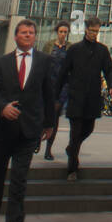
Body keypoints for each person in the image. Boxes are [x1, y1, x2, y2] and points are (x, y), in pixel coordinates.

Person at [0, 19, 54, 222]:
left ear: (35, 37)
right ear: (15, 36)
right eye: (23, 32)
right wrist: (2, 107)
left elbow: (48, 93)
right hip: (4, 131)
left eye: (31, 32)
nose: (28, 35)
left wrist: (49, 123)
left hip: (29, 131)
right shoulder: (2, 63)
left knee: (19, 180)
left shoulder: (44, 61)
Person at [60, 16, 112, 180]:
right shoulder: (74, 50)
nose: (94, 34)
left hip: (92, 97)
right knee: (75, 132)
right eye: (92, 31)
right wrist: (57, 93)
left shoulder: (102, 50)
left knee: (88, 128)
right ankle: (72, 168)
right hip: (76, 96)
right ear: (86, 30)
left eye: (97, 31)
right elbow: (64, 72)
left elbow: (109, 69)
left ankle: (72, 148)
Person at [41, 22, 70, 161]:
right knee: (42, 115)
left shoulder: (70, 48)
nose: (63, 34)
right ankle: (37, 139)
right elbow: (41, 62)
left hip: (61, 86)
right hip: (47, 84)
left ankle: (48, 149)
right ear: (56, 32)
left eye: (65, 32)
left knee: (54, 118)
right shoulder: (48, 46)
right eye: (61, 31)